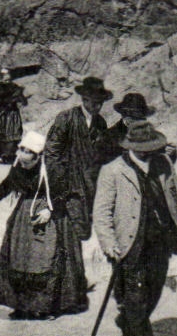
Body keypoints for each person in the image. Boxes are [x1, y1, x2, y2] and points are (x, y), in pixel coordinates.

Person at [92, 118, 177, 336]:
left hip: (161, 239)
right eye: (143, 148)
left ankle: (128, 323)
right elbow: (102, 212)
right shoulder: (112, 170)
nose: (148, 152)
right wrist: (108, 243)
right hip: (130, 241)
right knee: (136, 293)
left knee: (154, 289)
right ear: (130, 146)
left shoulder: (163, 164)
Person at [0, 130, 88, 319]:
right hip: (24, 216)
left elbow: (65, 192)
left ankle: (46, 307)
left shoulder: (54, 168)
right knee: (20, 258)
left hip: (50, 213)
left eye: (28, 160)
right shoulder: (19, 165)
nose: (24, 163)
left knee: (45, 259)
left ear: (39, 156)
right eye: (22, 158)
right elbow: (7, 185)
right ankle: (21, 306)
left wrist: (50, 210)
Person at [42, 76, 121, 241]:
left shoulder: (100, 122)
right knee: (70, 229)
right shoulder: (67, 118)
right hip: (68, 183)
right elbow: (51, 153)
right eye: (94, 102)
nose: (97, 106)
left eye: (100, 103)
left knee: (85, 231)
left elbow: (101, 153)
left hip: (90, 184)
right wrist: (59, 183)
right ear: (84, 99)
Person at [0, 69, 28, 164]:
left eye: (9, 78)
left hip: (13, 114)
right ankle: (4, 155)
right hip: (2, 114)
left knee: (14, 134)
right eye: (5, 79)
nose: (7, 81)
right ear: (1, 78)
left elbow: (24, 102)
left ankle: (12, 154)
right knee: (2, 134)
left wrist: (20, 95)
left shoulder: (15, 87)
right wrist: (5, 101)